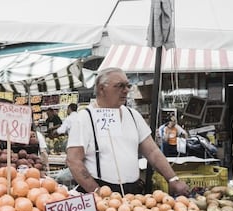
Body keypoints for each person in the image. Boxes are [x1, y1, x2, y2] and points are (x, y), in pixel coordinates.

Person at [66, 67, 190, 196]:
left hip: (132, 194)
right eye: (119, 86)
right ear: (101, 89)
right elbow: (73, 160)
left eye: (127, 85)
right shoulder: (85, 118)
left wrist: (172, 179)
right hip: (99, 192)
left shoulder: (133, 115)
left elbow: (152, 151)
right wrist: (97, 192)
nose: (126, 90)